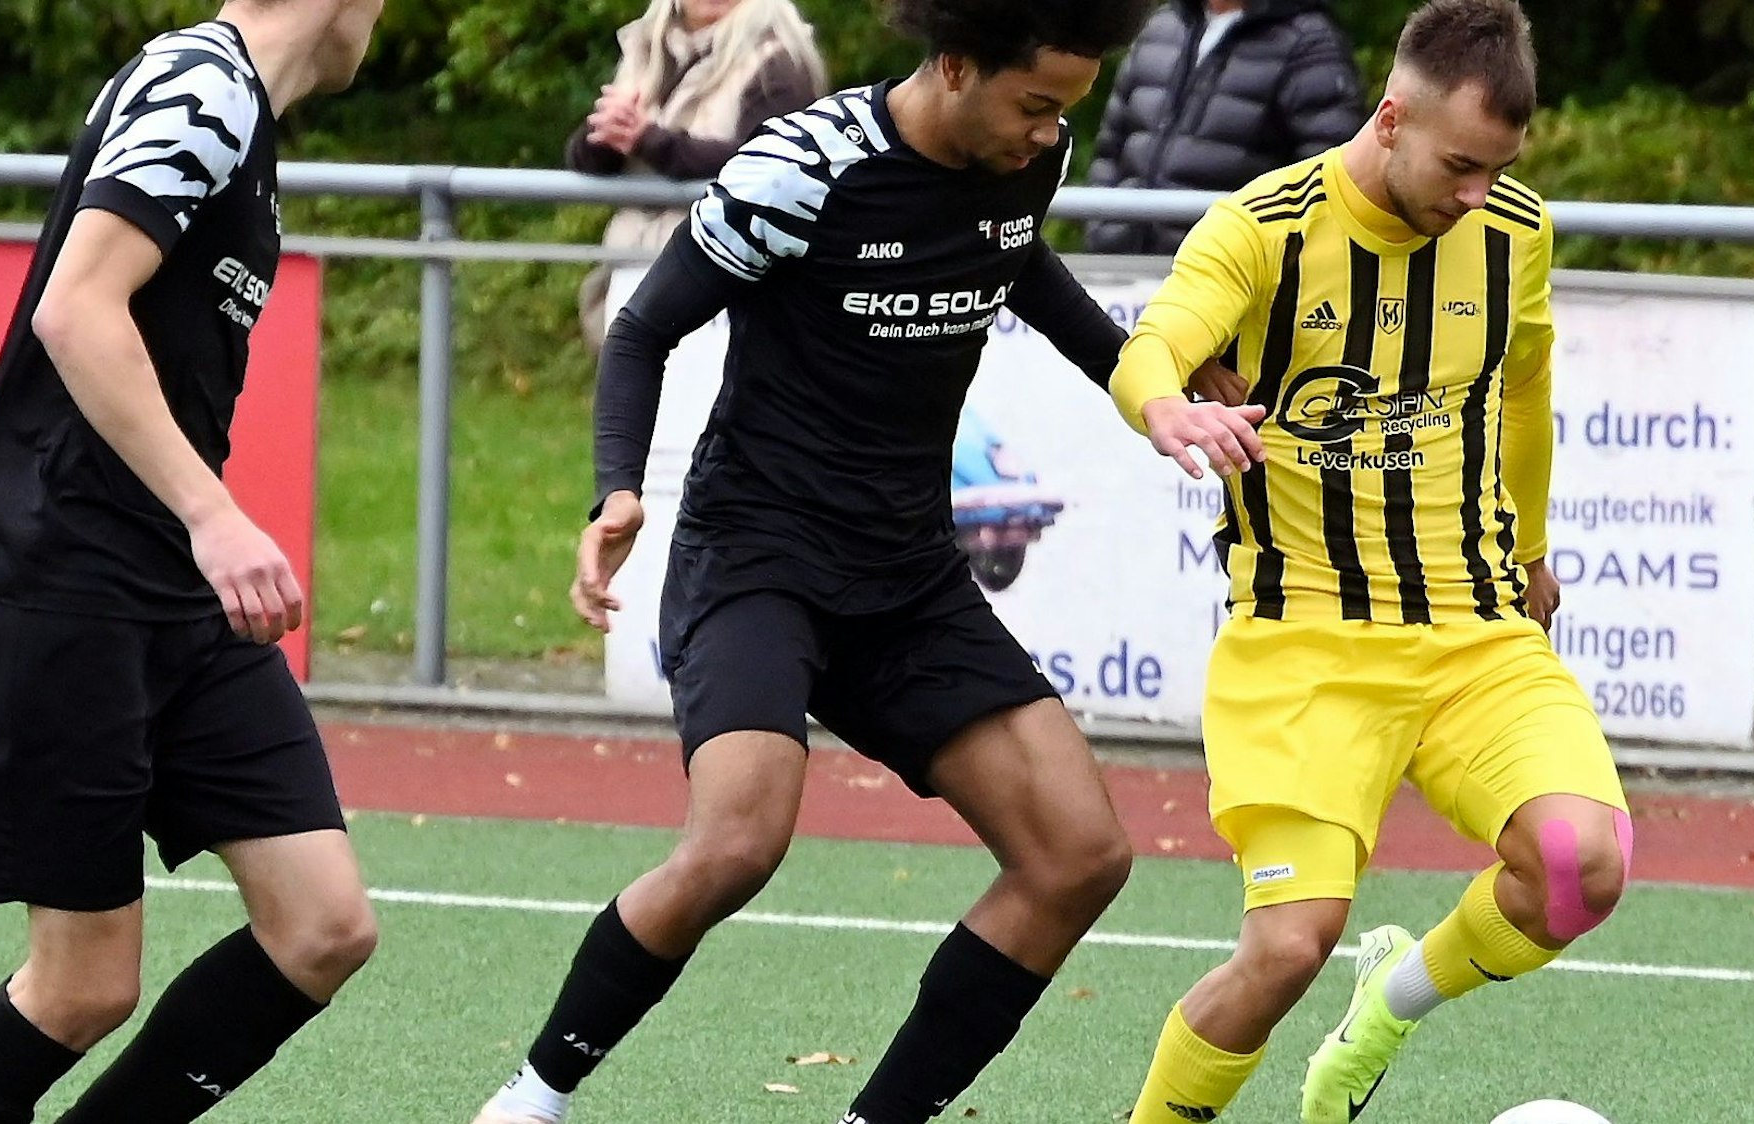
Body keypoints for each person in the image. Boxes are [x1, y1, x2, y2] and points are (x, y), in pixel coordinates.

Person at [467, 1, 1253, 1122]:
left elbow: (1019, 263)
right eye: (1033, 104)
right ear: (954, 62)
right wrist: (616, 488)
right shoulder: (802, 167)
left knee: (1078, 853)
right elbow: (644, 326)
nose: (1048, 135)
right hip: (760, 553)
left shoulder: (1032, 148)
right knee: (738, 838)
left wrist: (1157, 393)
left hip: (906, 572)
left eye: (1064, 111)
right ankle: (535, 1091)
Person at [1107, 2, 1632, 1121]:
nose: (1473, 194)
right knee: (1287, 947)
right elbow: (1155, 341)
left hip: (1474, 632)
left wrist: (1531, 546)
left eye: (1497, 169)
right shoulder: (1262, 228)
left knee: (1580, 865)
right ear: (1389, 118)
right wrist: (1163, 406)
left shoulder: (1514, 231)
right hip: (1302, 644)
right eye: (1456, 164)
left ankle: (1388, 1003)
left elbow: (1526, 382)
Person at [0, 2, 386, 1122]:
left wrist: (199, 533)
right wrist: (217, 517)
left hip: (178, 594)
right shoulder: (201, 85)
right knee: (82, 986)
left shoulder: (243, 115)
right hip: (70, 581)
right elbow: (77, 309)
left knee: (322, 924)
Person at [567, 0, 827, 350]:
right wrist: (606, 133)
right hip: (635, 267)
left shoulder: (779, 64)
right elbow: (587, 161)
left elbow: (770, 165)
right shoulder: (648, 50)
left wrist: (650, 141)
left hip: (723, 281)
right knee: (631, 403)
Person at [1084, 0, 1363, 256]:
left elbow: (1326, 179)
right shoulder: (1163, 26)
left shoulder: (1309, 42)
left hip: (1224, 274)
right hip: (1121, 273)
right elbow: (1111, 148)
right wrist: (1102, 228)